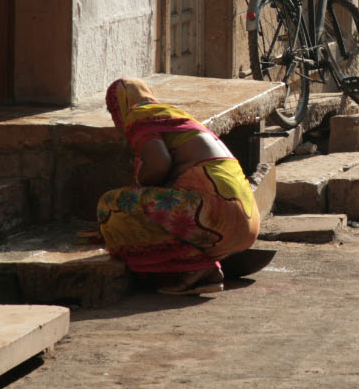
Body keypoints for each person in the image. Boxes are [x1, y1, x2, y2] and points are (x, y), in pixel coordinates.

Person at [97, 77, 260, 295]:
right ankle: (204, 270)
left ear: (120, 107)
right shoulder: (173, 116)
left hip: (215, 216)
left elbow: (159, 165)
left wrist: (139, 187)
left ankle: (195, 267)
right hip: (247, 224)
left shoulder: (139, 117)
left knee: (111, 205)